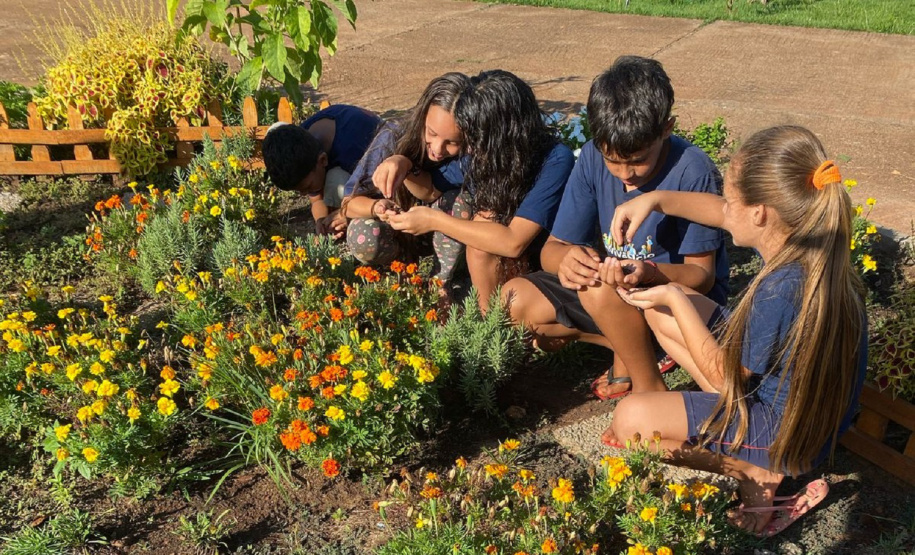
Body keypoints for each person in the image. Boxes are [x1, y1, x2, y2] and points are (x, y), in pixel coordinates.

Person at [604, 125, 867, 537]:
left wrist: (674, 295)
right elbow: (716, 211)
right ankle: (719, 431)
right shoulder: (811, 244)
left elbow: (726, 380)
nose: (723, 209)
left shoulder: (781, 289)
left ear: (760, 213)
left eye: (730, 201)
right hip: (802, 406)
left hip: (789, 435)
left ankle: (751, 469)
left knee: (631, 421)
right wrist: (653, 200)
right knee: (662, 308)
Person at [502, 55, 728, 398]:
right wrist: (567, 261)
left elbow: (703, 276)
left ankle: (649, 388)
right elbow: (553, 249)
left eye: (638, 161)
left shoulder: (693, 170)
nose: (625, 174)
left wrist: (649, 271)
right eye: (613, 161)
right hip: (614, 295)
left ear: (666, 129)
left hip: (674, 303)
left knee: (598, 287)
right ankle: (630, 349)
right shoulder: (592, 156)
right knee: (514, 300)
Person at [387, 70, 575, 311]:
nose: (469, 149)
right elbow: (432, 189)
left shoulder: (555, 160)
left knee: (484, 234)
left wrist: (434, 220)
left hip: (551, 266)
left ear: (505, 136)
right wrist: (403, 164)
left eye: (475, 139)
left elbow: (513, 242)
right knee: (484, 226)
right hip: (509, 268)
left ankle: (496, 327)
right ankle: (490, 324)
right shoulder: (485, 154)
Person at [340, 73, 472, 284]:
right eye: (432, 133)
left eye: (453, 142)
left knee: (460, 200)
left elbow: (431, 192)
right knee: (362, 232)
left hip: (443, 234)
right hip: (397, 233)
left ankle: (440, 282)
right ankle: (396, 270)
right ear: (422, 116)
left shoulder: (470, 154)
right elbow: (348, 204)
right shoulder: (392, 136)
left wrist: (408, 168)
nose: (438, 149)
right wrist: (377, 207)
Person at [262, 104, 381, 238]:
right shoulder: (300, 144)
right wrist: (322, 221)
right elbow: (316, 200)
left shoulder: (354, 151)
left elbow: (382, 194)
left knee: (337, 181)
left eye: (307, 187)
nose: (303, 194)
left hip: (379, 167)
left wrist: (346, 214)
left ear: (323, 160)